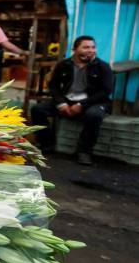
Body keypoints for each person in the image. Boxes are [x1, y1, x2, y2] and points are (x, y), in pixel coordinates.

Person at [30, 35, 114, 166]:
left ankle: (84, 151)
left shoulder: (102, 66)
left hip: (93, 102)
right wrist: (61, 103)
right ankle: (46, 144)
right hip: (68, 101)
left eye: (93, 47)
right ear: (75, 49)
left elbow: (106, 91)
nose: (91, 50)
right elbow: (53, 85)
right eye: (86, 47)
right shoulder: (64, 65)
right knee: (37, 109)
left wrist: (82, 104)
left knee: (94, 115)